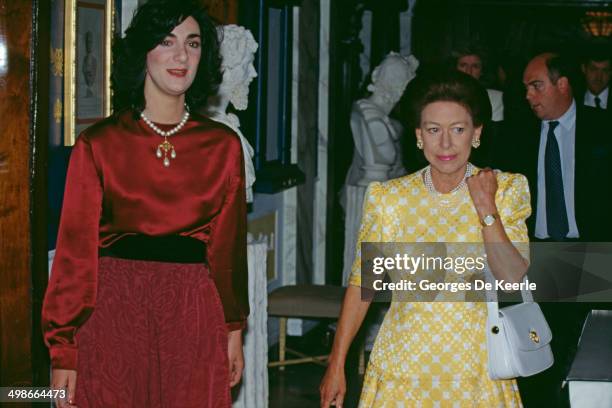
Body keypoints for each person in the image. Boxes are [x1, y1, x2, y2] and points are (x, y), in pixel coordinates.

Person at [41, 1, 248, 407]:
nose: (181, 56)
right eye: (166, 41)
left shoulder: (223, 147)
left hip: (193, 310)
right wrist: (63, 349)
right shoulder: (99, 144)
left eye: (192, 43)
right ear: (143, 52)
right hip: (114, 310)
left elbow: (227, 251)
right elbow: (74, 256)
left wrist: (233, 330)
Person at [321, 70, 530, 407]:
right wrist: (336, 364)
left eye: (458, 129)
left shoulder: (506, 189)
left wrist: (486, 210)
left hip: (476, 370)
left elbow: (512, 276)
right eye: (433, 130)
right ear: (419, 136)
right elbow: (363, 286)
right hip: (401, 372)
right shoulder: (389, 198)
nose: (445, 143)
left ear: (476, 133)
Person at [510, 52, 612, 408]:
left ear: (562, 84)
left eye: (536, 86)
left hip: (594, 255)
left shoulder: (603, 127)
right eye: (526, 88)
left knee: (592, 356)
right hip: (537, 255)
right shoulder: (516, 132)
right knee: (537, 358)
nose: (529, 96)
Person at [341, 52, 419, 284]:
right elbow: (385, 155)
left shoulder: (381, 118)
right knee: (366, 270)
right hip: (372, 193)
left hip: (379, 193)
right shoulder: (371, 117)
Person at [205, 24, 258, 203]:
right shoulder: (217, 132)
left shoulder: (227, 125)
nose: (253, 73)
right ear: (226, 70)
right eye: (247, 64)